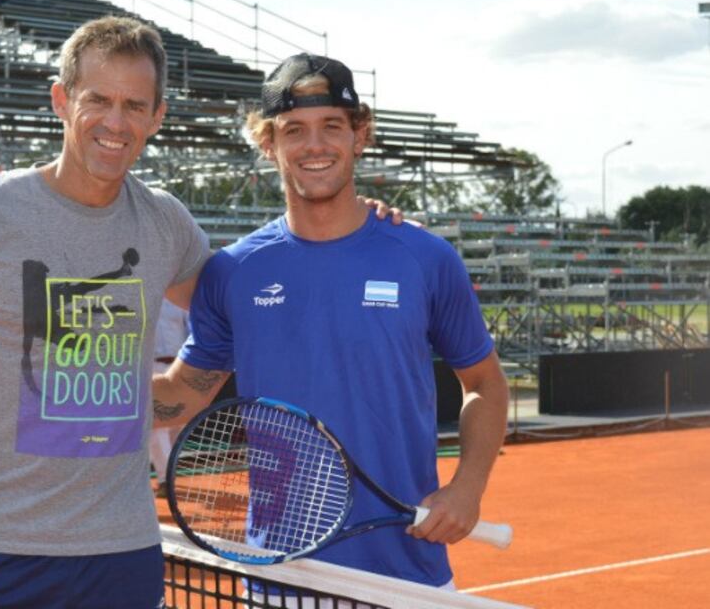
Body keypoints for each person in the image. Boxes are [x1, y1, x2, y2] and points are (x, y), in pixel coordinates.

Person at [0, 15, 402, 608]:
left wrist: (358, 223)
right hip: (1, 549)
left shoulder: (164, 222)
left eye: (135, 105)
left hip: (126, 555)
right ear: (61, 100)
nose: (115, 121)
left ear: (156, 117)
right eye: (98, 100)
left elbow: (242, 307)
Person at [152, 54, 509, 594]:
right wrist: (62, 397)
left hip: (406, 578)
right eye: (294, 130)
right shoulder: (234, 272)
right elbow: (182, 393)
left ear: (359, 135)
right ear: (268, 144)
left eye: (332, 127)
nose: (314, 145)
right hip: (279, 573)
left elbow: (484, 383)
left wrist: (467, 487)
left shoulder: (425, 258)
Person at [148, 298, 190, 497]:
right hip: (151, 367)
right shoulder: (145, 297)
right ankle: (166, 479)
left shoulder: (180, 300)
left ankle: (169, 474)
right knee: (157, 425)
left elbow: (192, 331)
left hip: (180, 367)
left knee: (177, 424)